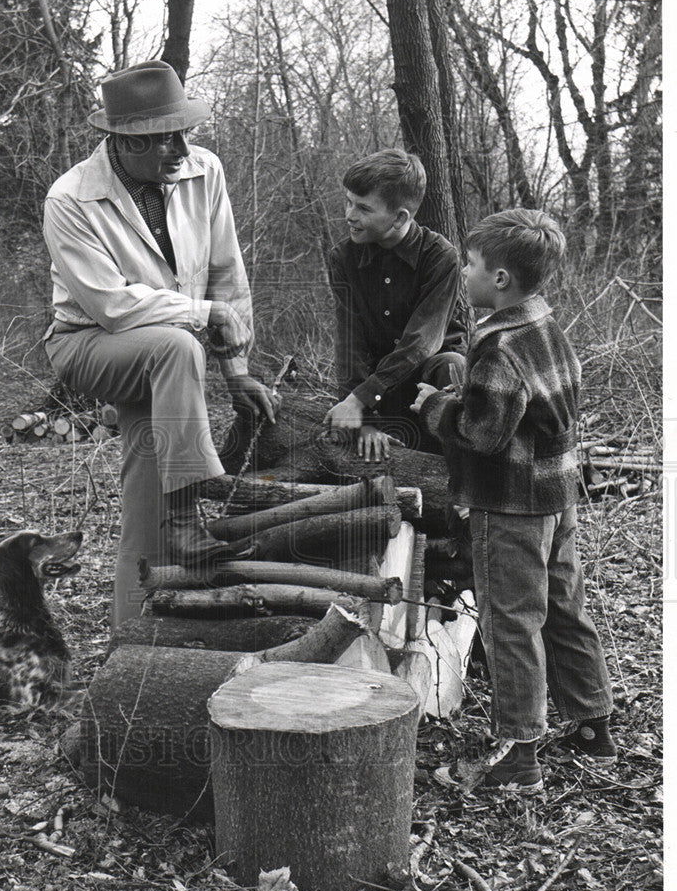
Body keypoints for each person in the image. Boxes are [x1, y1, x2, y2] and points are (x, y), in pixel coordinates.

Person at [42, 61, 275, 626]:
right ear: (121, 141)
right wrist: (203, 314)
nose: (177, 147)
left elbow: (226, 273)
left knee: (144, 497)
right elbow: (112, 306)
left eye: (183, 132)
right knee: (174, 345)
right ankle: (185, 514)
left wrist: (237, 370)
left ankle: (133, 644)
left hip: (168, 359)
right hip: (90, 345)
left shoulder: (205, 171)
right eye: (159, 138)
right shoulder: (70, 198)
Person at [411, 208, 615, 793]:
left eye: (471, 265)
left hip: (512, 507)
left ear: (500, 279)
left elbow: (483, 435)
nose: (464, 275)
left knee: (511, 622)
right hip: (557, 494)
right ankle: (592, 725)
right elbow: (531, 410)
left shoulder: (500, 347)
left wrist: (435, 405)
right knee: (564, 604)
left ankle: (519, 754)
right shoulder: (546, 326)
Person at [323, 149, 470, 460]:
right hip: (377, 394)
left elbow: (421, 343)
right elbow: (350, 340)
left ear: (400, 217)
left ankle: (459, 475)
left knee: (452, 365)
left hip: (431, 389)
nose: (349, 215)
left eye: (363, 208)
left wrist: (360, 399)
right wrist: (362, 418)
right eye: (348, 202)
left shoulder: (441, 257)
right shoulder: (343, 257)